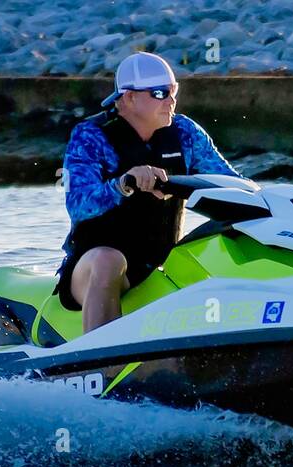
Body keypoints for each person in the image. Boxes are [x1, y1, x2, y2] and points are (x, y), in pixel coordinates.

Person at [57, 52, 240, 333]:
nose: (171, 100)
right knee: (109, 259)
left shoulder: (185, 132)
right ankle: (105, 365)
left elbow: (232, 185)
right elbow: (79, 205)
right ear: (129, 98)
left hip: (160, 263)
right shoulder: (91, 136)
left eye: (173, 91)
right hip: (94, 267)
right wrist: (124, 183)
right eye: (159, 93)